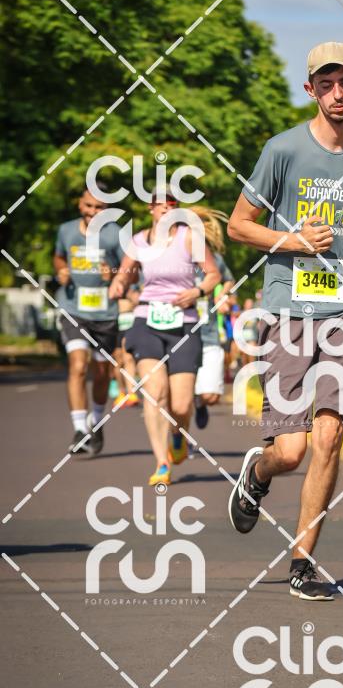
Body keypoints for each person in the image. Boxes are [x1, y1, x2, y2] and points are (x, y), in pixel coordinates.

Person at [227, 41, 343, 601]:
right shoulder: (282, 150)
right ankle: (258, 472)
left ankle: (302, 563)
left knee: (329, 436)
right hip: (290, 308)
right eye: (326, 84)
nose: (337, 93)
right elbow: (238, 225)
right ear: (311, 90)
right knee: (291, 450)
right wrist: (293, 240)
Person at [108, 191, 220, 485]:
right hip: (147, 320)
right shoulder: (139, 241)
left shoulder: (189, 237)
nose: (167, 208)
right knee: (155, 393)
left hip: (184, 322)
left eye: (172, 204)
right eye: (161, 204)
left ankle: (178, 435)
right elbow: (126, 273)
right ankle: (161, 463)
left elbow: (213, 274)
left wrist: (196, 292)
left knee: (181, 406)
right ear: (151, 209)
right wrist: (119, 282)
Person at [53, 185, 123, 455]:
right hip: (73, 308)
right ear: (80, 204)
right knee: (78, 365)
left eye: (99, 208)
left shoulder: (115, 234)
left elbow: (130, 270)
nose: (93, 212)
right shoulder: (66, 231)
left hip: (105, 314)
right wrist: (61, 270)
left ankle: (96, 419)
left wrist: (113, 275)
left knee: (102, 373)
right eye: (89, 206)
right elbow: (59, 257)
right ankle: (80, 429)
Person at [189, 206, 235, 429]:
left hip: (208, 332)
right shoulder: (171, 257)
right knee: (179, 395)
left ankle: (199, 402)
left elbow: (228, 280)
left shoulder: (213, 258)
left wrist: (222, 295)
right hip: (180, 334)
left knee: (211, 396)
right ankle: (180, 433)